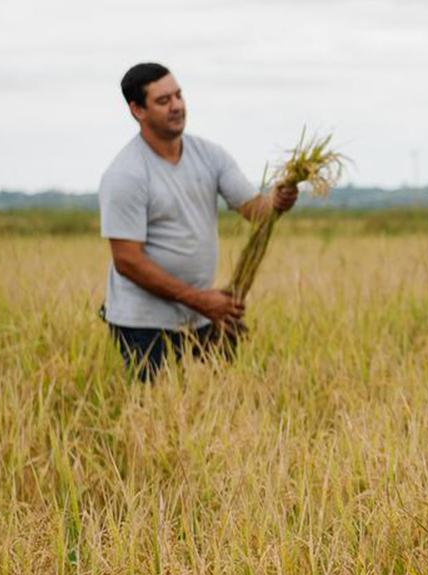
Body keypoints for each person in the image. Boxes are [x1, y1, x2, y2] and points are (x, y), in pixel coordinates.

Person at [99, 62, 299, 381]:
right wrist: (201, 300)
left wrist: (277, 201)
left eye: (178, 95)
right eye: (163, 101)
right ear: (137, 110)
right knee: (155, 418)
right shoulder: (126, 174)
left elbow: (256, 211)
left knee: (215, 408)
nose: (177, 106)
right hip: (144, 325)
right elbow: (127, 261)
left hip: (202, 317)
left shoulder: (209, 155)